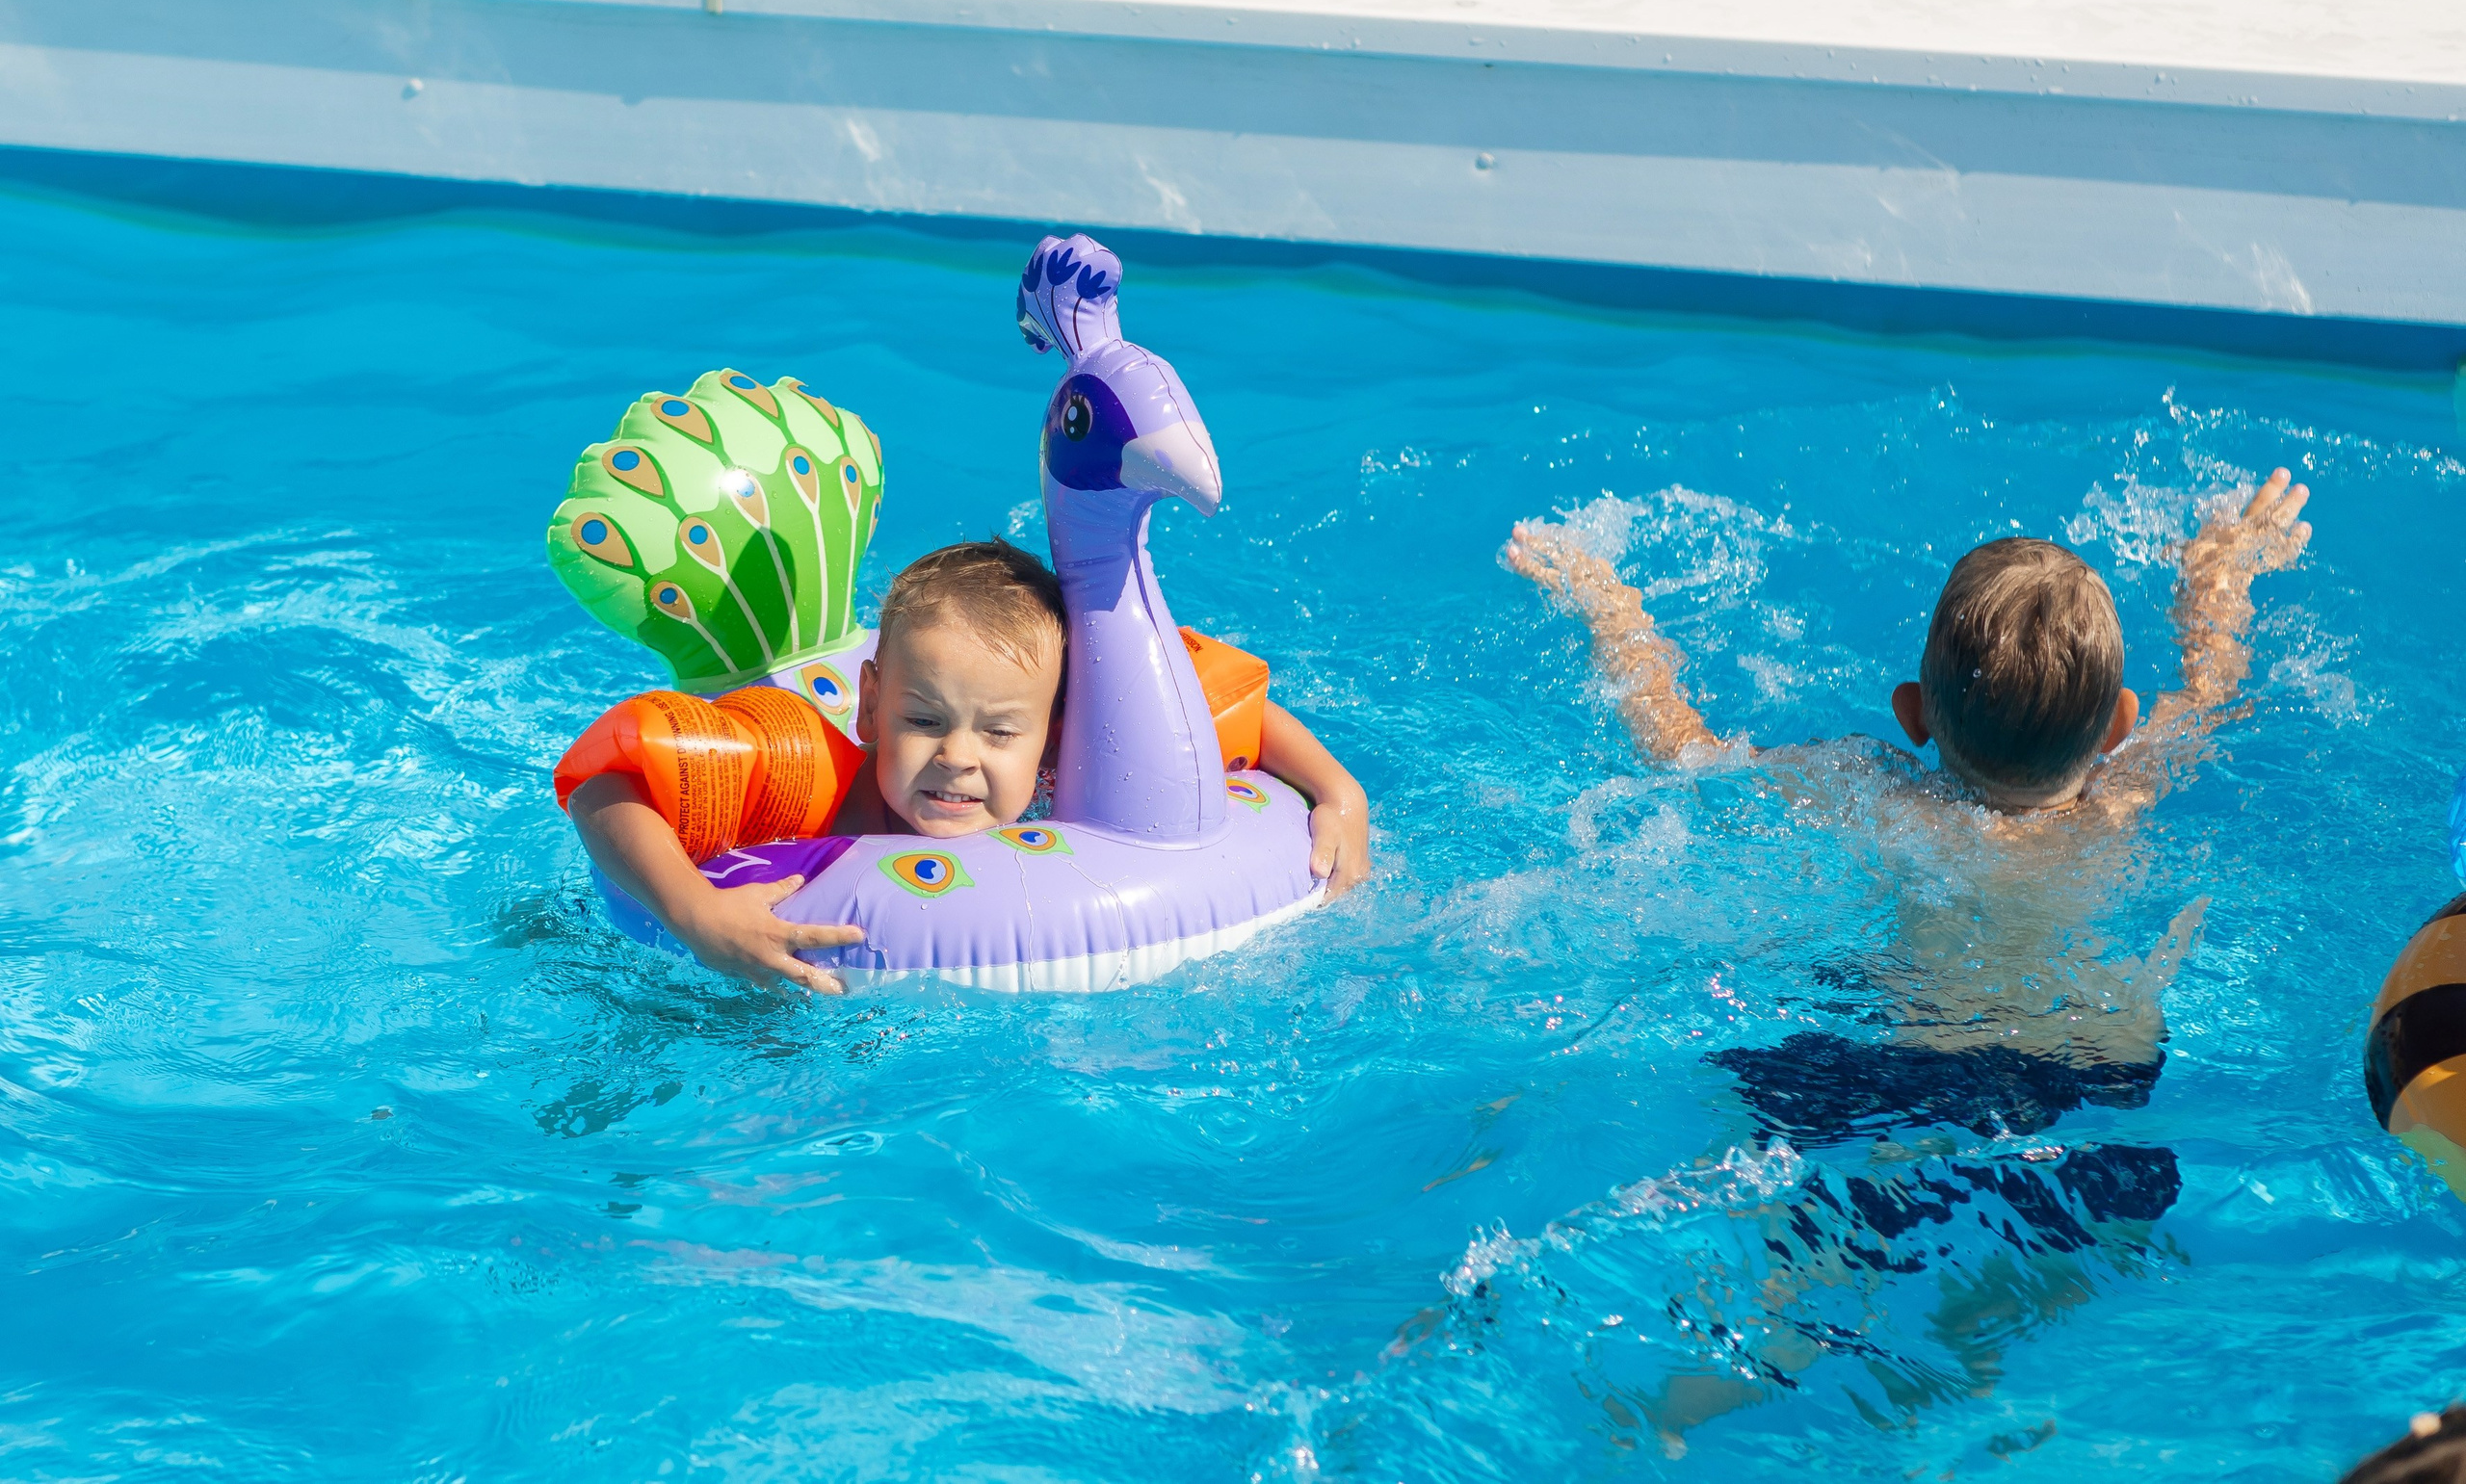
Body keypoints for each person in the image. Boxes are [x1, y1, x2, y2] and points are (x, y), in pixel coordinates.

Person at [1505, 468, 2311, 1445]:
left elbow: (1682, 753)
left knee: (1802, 1270)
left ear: (1911, 713)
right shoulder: (2124, 797)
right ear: (2116, 724)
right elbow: (2216, 696)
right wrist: (2221, 583)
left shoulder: (1879, 795)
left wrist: (1614, 613)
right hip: (2081, 1082)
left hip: (1894, 1068)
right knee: (2041, 1279)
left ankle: (1672, 1417)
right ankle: (1968, 1401)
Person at [570, 539, 1370, 996]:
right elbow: (606, 779)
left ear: (1055, 736)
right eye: (922, 721)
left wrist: (1339, 792)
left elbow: (1215, 709)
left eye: (999, 733)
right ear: (871, 704)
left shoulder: (1074, 775)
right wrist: (695, 915)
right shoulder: (810, 775)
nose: (957, 757)